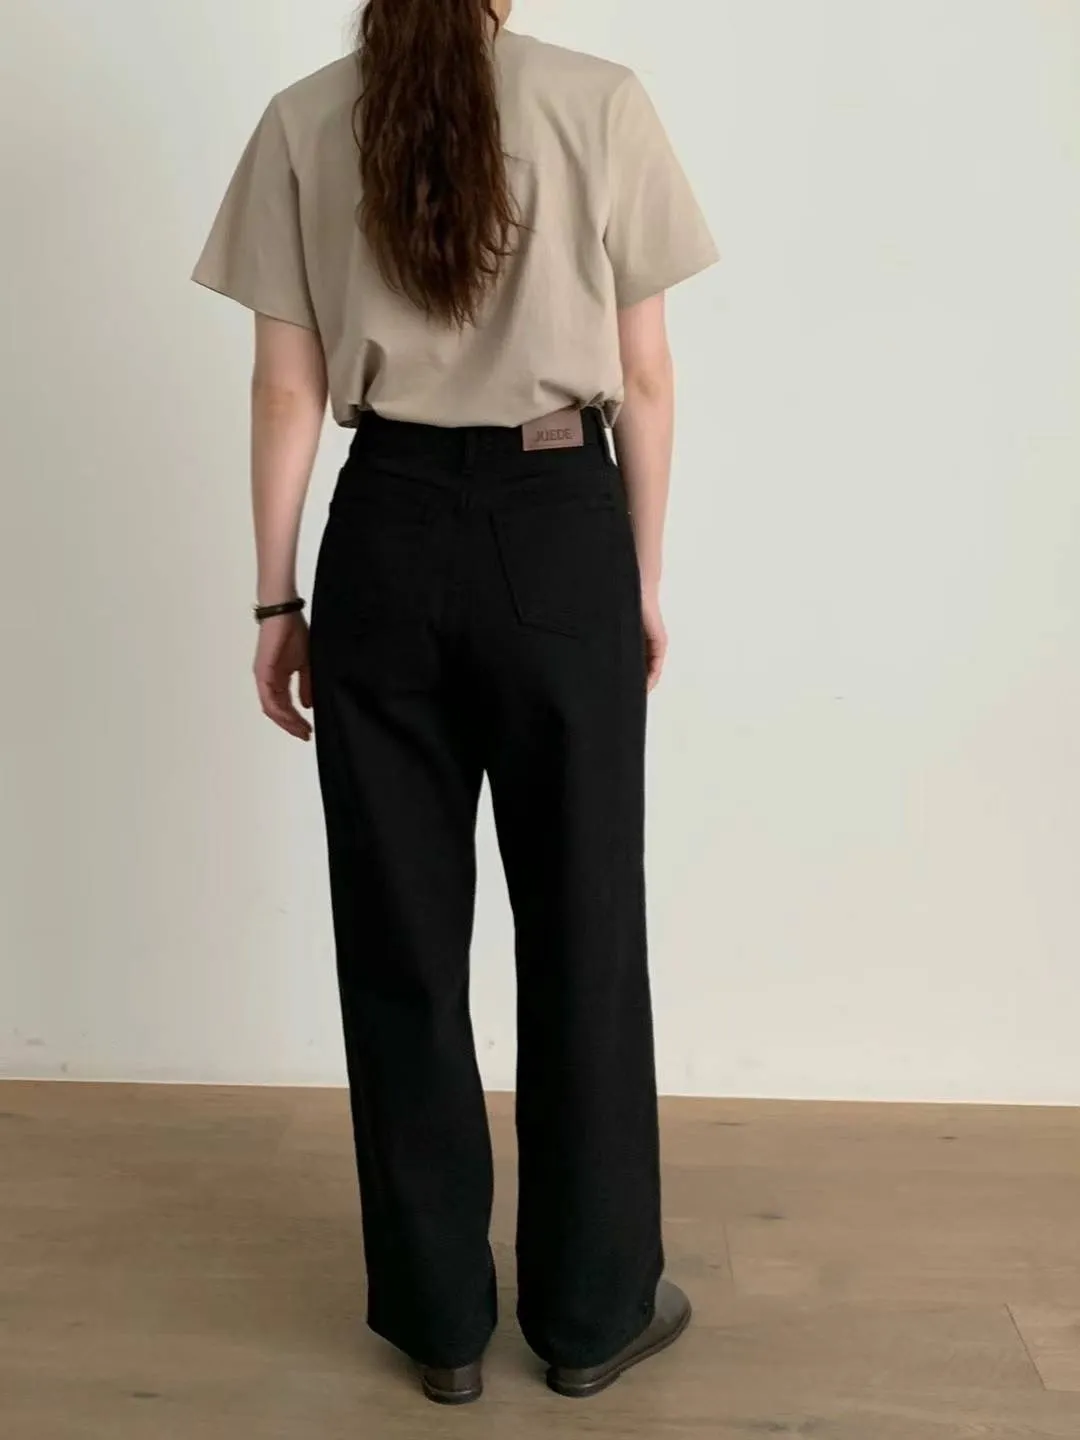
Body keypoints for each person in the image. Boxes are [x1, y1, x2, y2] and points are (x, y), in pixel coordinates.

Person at [192, 0, 718, 1407]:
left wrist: (276, 601)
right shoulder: (597, 100)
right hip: (560, 525)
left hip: (388, 533)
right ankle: (593, 1314)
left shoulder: (304, 119)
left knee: (400, 939)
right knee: (584, 929)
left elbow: (286, 387)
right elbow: (647, 375)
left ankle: (437, 1321)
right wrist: (637, 582)